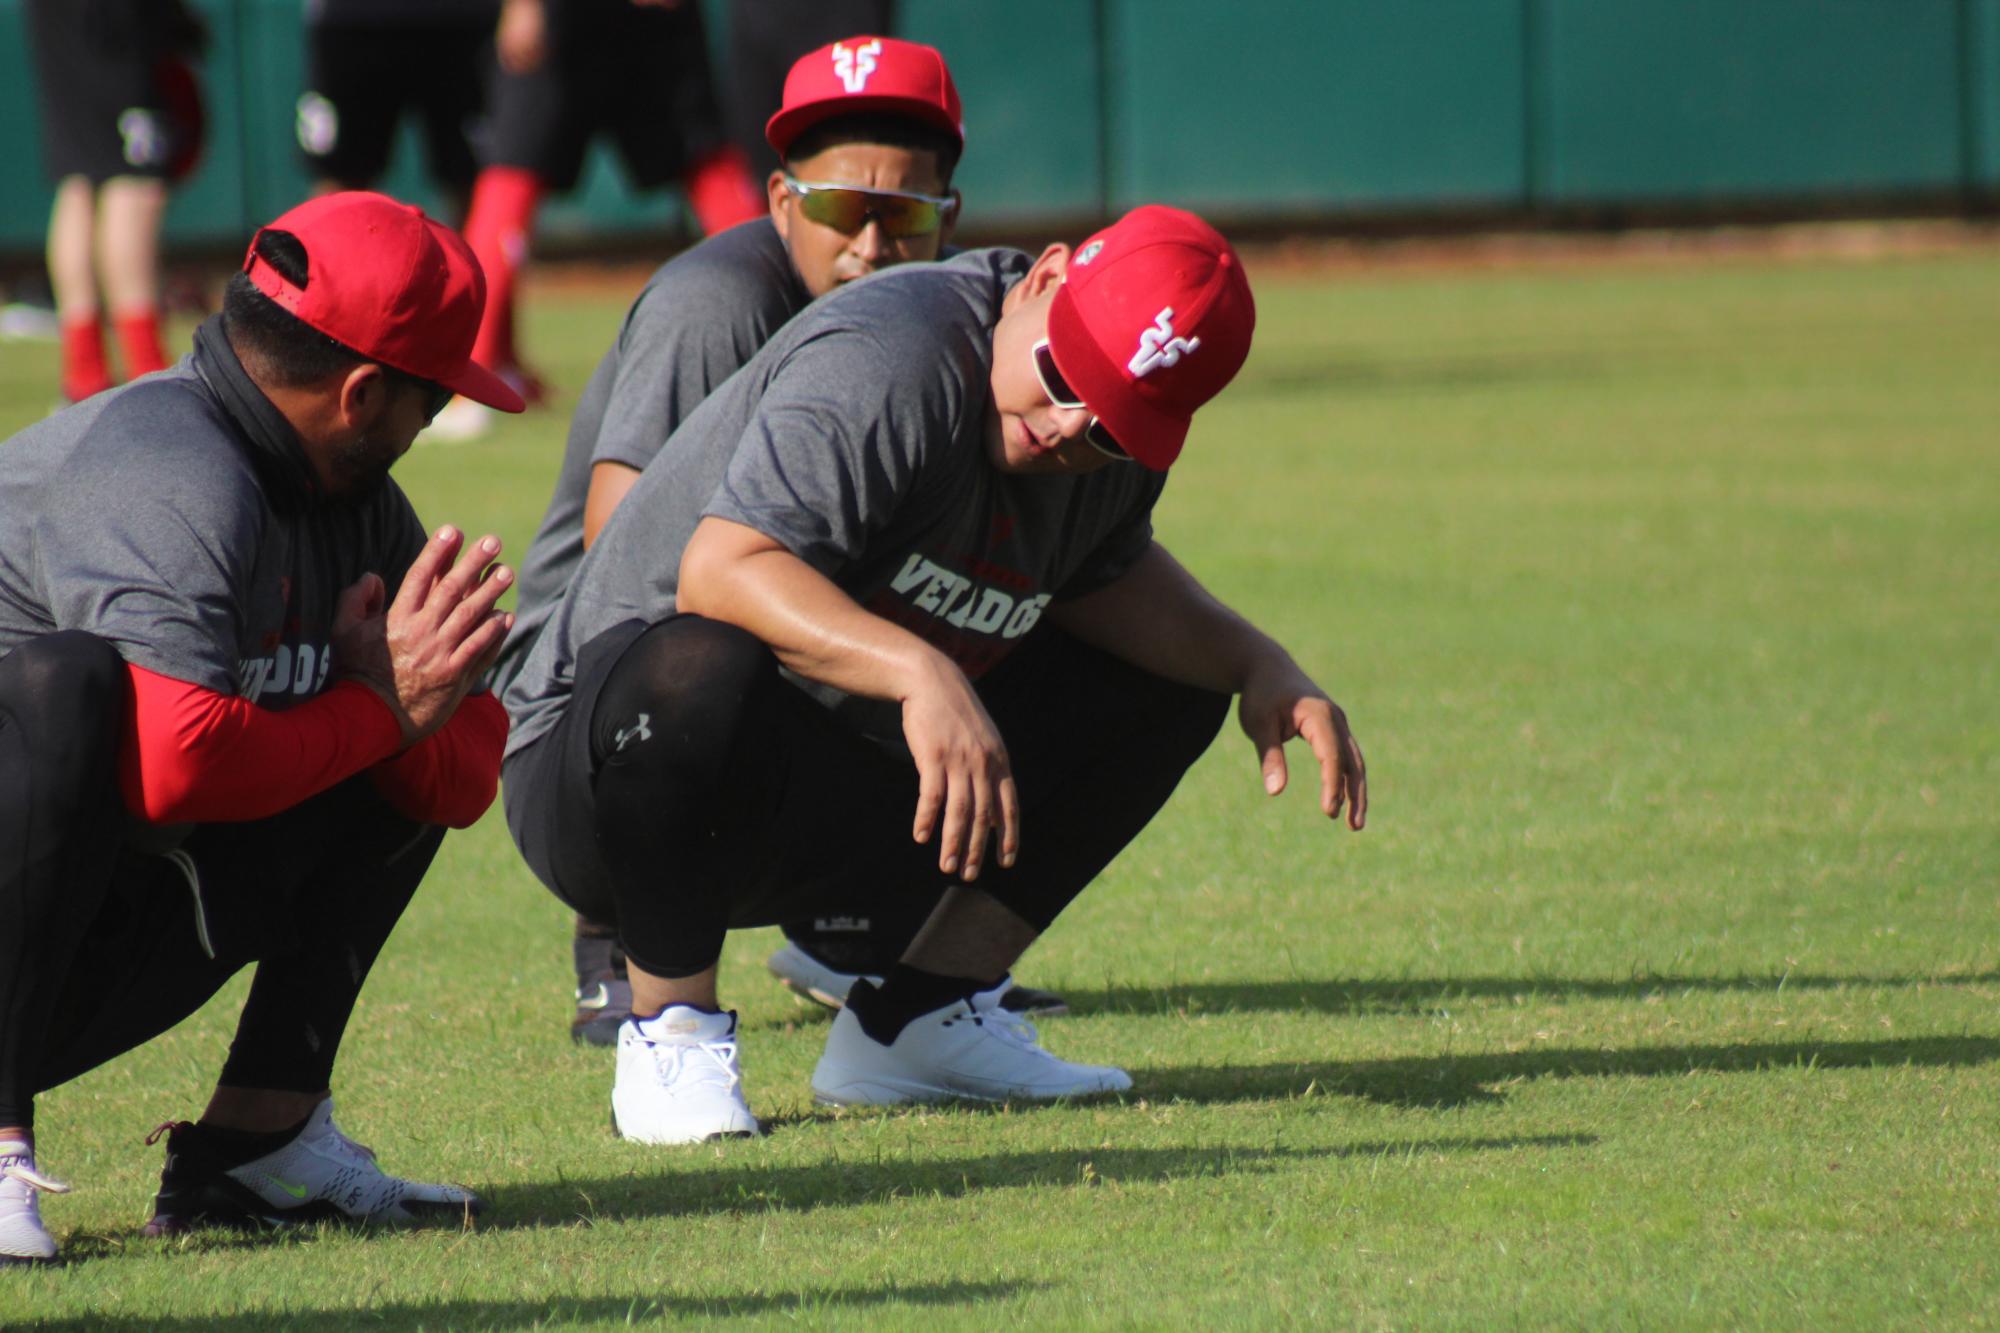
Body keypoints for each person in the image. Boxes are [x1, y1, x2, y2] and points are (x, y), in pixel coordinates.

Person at [499, 204, 1368, 1145]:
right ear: (1044, 279)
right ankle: (671, 1032)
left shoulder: (1109, 440)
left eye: (1118, 425)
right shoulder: (894, 354)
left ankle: (917, 1020)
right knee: (698, 657)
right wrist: (918, 670)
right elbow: (721, 573)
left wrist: (1257, 664)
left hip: (818, 788)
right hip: (606, 786)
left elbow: (1107, 579)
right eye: (1061, 373)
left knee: (1176, 677)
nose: (1068, 424)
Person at [491, 34, 1060, 1045]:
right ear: (782, 201)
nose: (870, 244)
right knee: (725, 620)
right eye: (844, 209)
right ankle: (612, 939)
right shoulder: (718, 306)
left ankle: (856, 932)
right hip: (584, 684)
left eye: (905, 215)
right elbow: (621, 556)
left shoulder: (930, 329)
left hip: (755, 637)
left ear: (951, 217)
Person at [0, 191, 525, 1263]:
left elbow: (462, 767)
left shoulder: (351, 499)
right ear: (364, 391)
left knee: (391, 741)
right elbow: (173, 773)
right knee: (65, 689)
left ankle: (260, 1147)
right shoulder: (166, 461)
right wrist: (378, 709)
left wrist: (391, 715)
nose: (427, 430)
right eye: (428, 402)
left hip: (64, 921)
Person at [433, 0, 767, 439]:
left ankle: (782, 337)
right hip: (565, 17)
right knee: (513, 173)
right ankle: (474, 374)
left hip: (647, 20)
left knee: (708, 163)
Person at [23, 0, 206, 404]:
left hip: (58, 19)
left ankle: (84, 377)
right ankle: (148, 377)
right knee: (134, 185)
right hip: (116, 23)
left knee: (81, 181)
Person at [296, 0, 500, 220]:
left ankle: (469, 255)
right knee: (339, 176)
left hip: (462, 21)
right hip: (350, 22)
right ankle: (330, 255)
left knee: (473, 175)